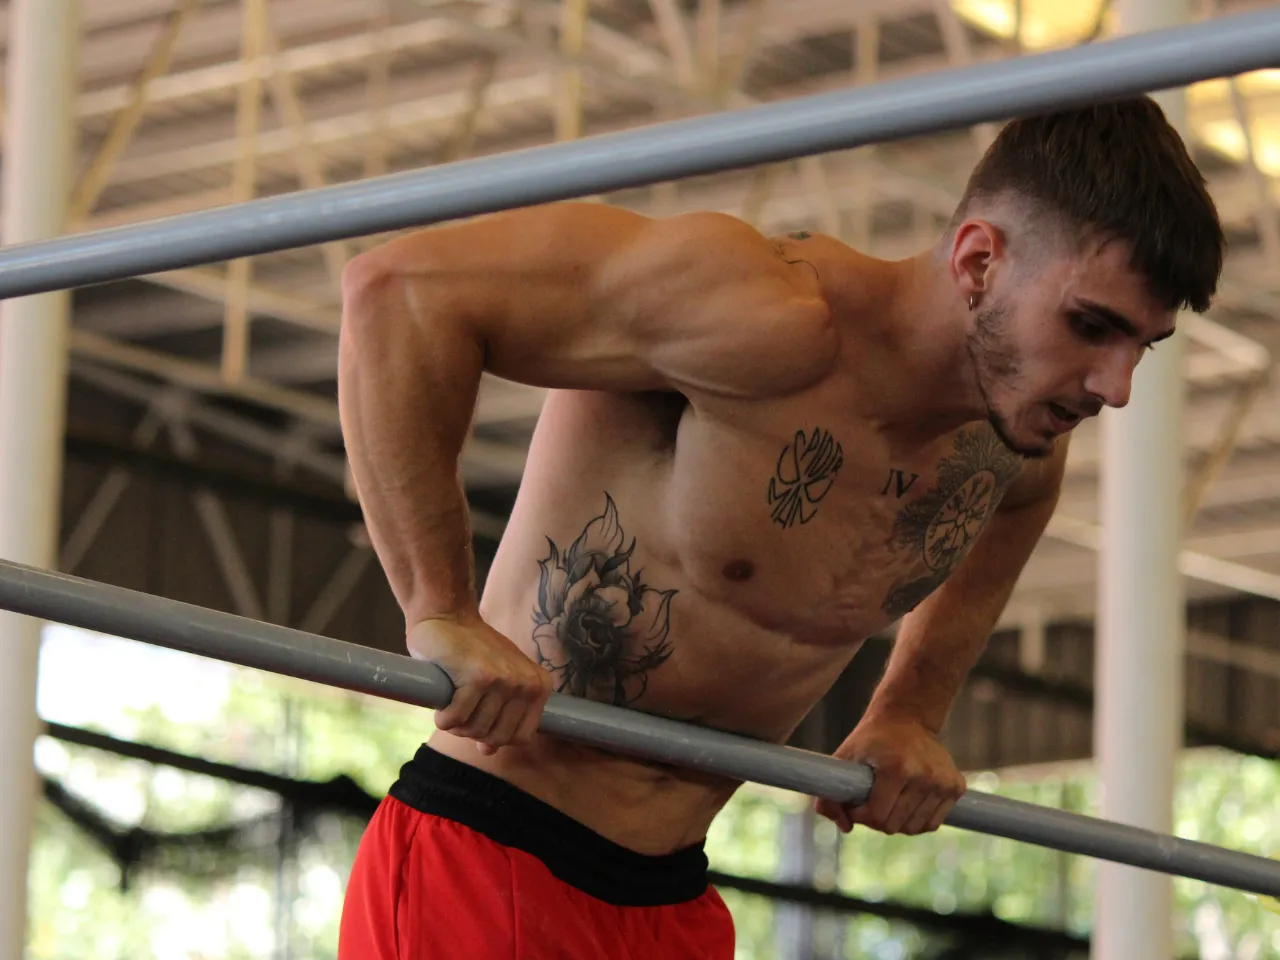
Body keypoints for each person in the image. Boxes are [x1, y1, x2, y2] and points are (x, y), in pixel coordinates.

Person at [335, 96, 1223, 959]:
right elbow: (398, 292)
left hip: (673, 898)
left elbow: (1014, 512)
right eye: (1090, 325)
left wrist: (909, 711)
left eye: (1141, 345)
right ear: (979, 260)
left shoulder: (1012, 452)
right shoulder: (759, 309)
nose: (1114, 386)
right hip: (489, 855)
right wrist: (439, 607)